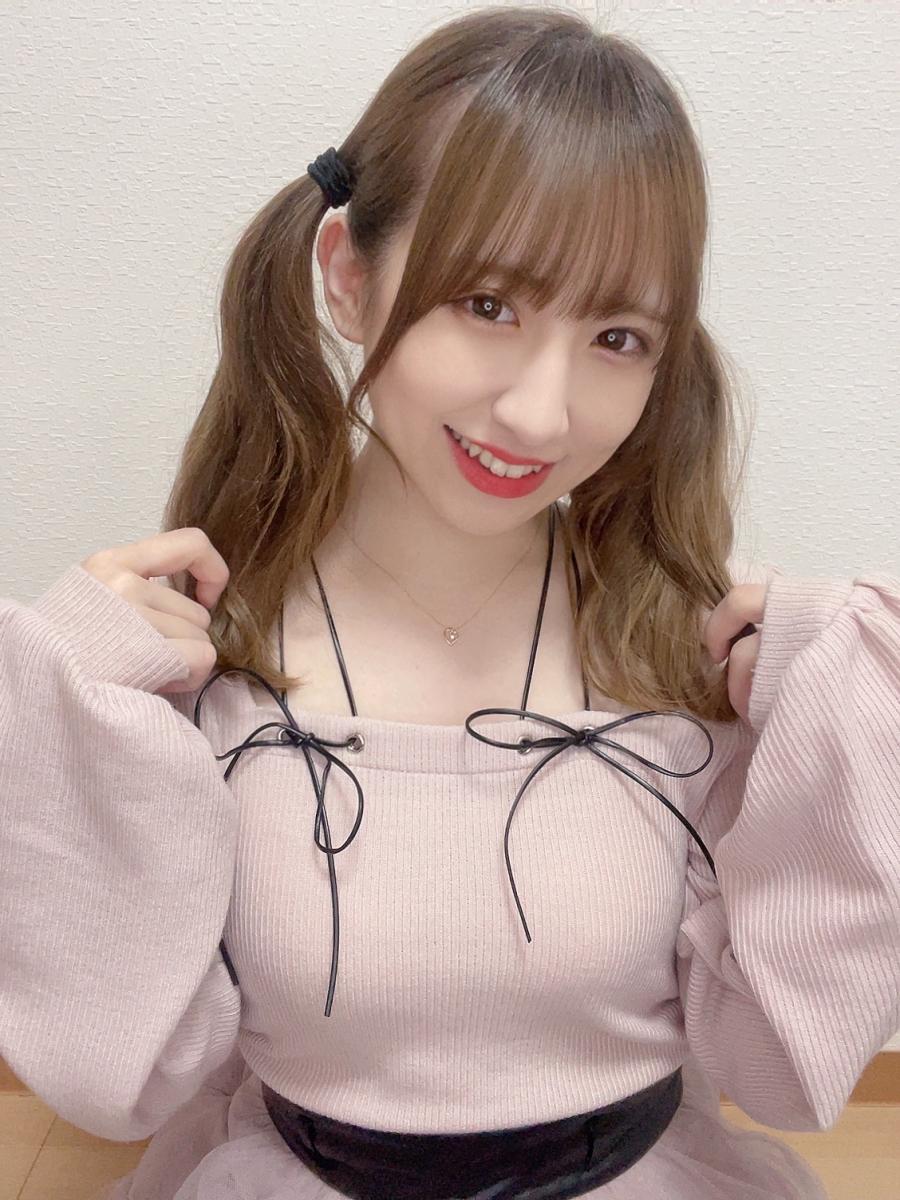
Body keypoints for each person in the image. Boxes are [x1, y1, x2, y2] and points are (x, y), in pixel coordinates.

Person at [1, 7, 898, 1199]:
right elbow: (121, 1081)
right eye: (488, 305)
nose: (540, 412)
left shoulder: (683, 659)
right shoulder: (202, 662)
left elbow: (783, 1070)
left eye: (618, 336)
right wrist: (65, 709)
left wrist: (849, 702)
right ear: (348, 276)